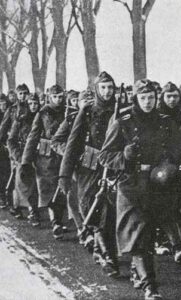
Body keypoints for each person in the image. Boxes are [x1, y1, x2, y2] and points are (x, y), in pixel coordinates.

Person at [99, 79, 181, 300]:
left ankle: (138, 271)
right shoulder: (122, 122)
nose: (148, 102)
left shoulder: (165, 122)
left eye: (151, 97)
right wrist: (123, 155)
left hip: (159, 184)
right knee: (140, 236)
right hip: (131, 185)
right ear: (136, 98)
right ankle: (150, 287)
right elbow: (104, 156)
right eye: (143, 98)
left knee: (150, 233)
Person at [58, 72, 119, 277]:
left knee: (109, 211)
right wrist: (64, 175)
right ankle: (104, 252)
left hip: (114, 166)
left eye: (110, 87)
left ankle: (106, 253)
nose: (107, 91)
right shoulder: (86, 112)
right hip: (89, 168)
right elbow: (73, 144)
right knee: (90, 207)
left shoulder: (121, 111)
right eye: (103, 87)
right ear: (96, 89)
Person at [21, 84, 66, 240]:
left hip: (63, 155)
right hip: (46, 157)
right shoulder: (43, 113)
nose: (58, 100)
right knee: (48, 188)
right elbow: (33, 136)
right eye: (55, 97)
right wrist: (25, 161)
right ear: (49, 97)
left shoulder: (67, 111)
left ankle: (58, 220)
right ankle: (56, 222)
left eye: (60, 97)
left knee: (61, 188)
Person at [51, 89, 94, 246]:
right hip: (77, 166)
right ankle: (82, 229)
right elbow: (55, 142)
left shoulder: (101, 118)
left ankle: (93, 230)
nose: (89, 104)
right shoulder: (70, 120)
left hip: (96, 165)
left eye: (92, 101)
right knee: (74, 198)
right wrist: (71, 153)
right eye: (84, 101)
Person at [155, 82, 181, 261]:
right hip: (159, 165)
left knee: (174, 202)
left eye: (175, 96)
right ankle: (166, 241)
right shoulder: (158, 114)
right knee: (162, 203)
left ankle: (169, 239)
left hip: (175, 163)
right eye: (169, 96)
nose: (172, 100)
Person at [7, 93, 40, 223]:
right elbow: (11, 141)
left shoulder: (41, 118)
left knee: (35, 184)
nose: (33, 106)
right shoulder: (19, 120)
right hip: (21, 155)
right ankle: (19, 207)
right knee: (22, 182)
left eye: (35, 103)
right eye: (30, 103)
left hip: (37, 155)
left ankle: (33, 211)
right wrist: (18, 157)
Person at [0, 84, 30, 209]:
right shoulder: (11, 110)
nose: (23, 96)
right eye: (20, 94)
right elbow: (3, 129)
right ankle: (13, 204)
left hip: (29, 147)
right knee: (15, 175)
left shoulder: (32, 108)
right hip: (15, 147)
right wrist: (5, 144)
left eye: (25, 93)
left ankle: (28, 205)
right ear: (17, 95)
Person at [0, 94, 10, 209]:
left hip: (6, 145)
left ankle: (5, 195)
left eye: (4, 103)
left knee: (6, 171)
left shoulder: (9, 113)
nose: (2, 105)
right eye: (0, 103)